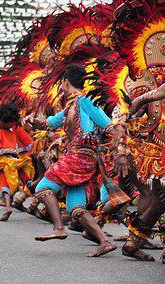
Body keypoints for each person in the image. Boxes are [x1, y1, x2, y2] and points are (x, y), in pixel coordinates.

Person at [30, 64, 124, 257]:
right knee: (75, 208)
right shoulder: (70, 106)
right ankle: (104, 241)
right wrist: (32, 119)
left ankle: (58, 228)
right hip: (79, 157)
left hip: (81, 157)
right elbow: (49, 123)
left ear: (66, 82)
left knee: (42, 188)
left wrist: (117, 148)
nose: (61, 88)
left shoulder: (85, 101)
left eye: (62, 84)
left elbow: (108, 125)